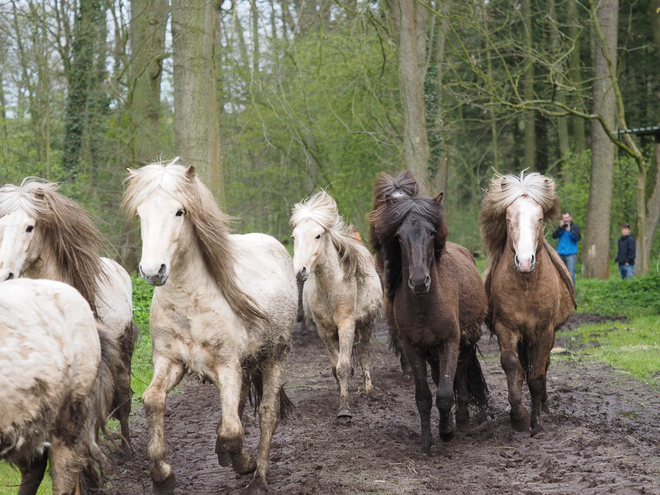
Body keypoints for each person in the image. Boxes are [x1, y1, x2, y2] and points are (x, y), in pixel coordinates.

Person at [552, 212, 581, 285]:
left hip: (571, 255)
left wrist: (569, 231)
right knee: (559, 274)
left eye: (567, 218)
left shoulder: (574, 227)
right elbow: (554, 236)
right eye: (564, 218)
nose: (565, 220)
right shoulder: (561, 228)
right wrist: (559, 227)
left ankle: (572, 294)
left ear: (570, 218)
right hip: (560, 254)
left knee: (571, 275)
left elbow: (578, 238)